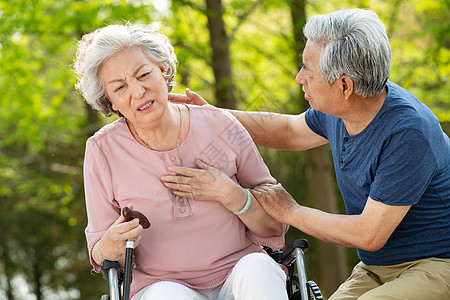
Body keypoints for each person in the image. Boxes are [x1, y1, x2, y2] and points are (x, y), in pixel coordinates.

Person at [168, 8, 450, 300]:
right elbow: (288, 131)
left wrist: (291, 211)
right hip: (377, 267)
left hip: (436, 263)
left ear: (344, 85)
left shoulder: (407, 133)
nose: (298, 78)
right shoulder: (342, 109)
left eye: (308, 71)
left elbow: (370, 234)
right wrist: (214, 117)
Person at [73, 24, 290, 300]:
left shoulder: (221, 126)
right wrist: (110, 244)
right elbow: (99, 252)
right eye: (120, 87)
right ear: (110, 102)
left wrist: (233, 195)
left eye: (144, 74)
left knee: (258, 268)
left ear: (163, 70)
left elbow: (275, 225)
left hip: (240, 273)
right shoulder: (102, 151)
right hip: (161, 286)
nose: (138, 91)